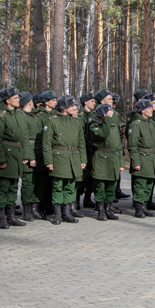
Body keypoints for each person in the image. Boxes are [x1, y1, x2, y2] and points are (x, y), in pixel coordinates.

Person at [0, 86, 30, 229]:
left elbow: (24, 136)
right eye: (15, 98)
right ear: (7, 100)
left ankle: (11, 216)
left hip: (17, 155)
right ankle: (1, 217)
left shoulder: (19, 114)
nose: (18, 100)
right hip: (6, 154)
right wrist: (0, 160)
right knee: (3, 188)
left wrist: (25, 155)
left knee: (13, 186)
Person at [42, 94, 87, 224]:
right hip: (59, 158)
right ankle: (57, 214)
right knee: (58, 186)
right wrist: (49, 161)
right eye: (71, 106)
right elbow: (46, 144)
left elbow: (81, 143)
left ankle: (67, 213)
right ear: (63, 107)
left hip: (73, 158)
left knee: (71, 186)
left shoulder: (76, 122)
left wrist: (83, 160)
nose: (74, 108)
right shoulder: (52, 121)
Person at [88, 103, 122, 220]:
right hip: (102, 158)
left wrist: (121, 162)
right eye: (108, 113)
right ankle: (101, 210)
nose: (111, 115)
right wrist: (107, 118)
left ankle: (108, 209)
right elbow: (103, 134)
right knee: (100, 186)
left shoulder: (111, 125)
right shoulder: (94, 125)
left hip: (113, 158)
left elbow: (119, 145)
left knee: (111, 186)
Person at [127, 98, 155, 218]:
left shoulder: (151, 123)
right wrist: (135, 162)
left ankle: (145, 206)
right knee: (140, 184)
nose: (151, 110)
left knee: (149, 184)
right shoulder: (136, 125)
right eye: (149, 108)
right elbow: (132, 145)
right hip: (141, 157)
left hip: (151, 158)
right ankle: (139, 208)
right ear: (142, 111)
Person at [16, 91, 41, 221]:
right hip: (29, 152)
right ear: (29, 102)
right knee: (28, 183)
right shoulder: (22, 116)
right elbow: (25, 139)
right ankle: (26, 210)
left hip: (36, 151)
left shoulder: (32, 116)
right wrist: (29, 157)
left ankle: (33, 208)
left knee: (35, 183)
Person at [77, 93, 97, 211]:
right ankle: (77, 199)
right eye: (92, 101)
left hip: (91, 150)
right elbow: (81, 134)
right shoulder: (81, 115)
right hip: (84, 149)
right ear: (85, 103)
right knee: (83, 176)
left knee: (91, 176)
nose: (94, 103)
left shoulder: (93, 114)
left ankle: (88, 198)